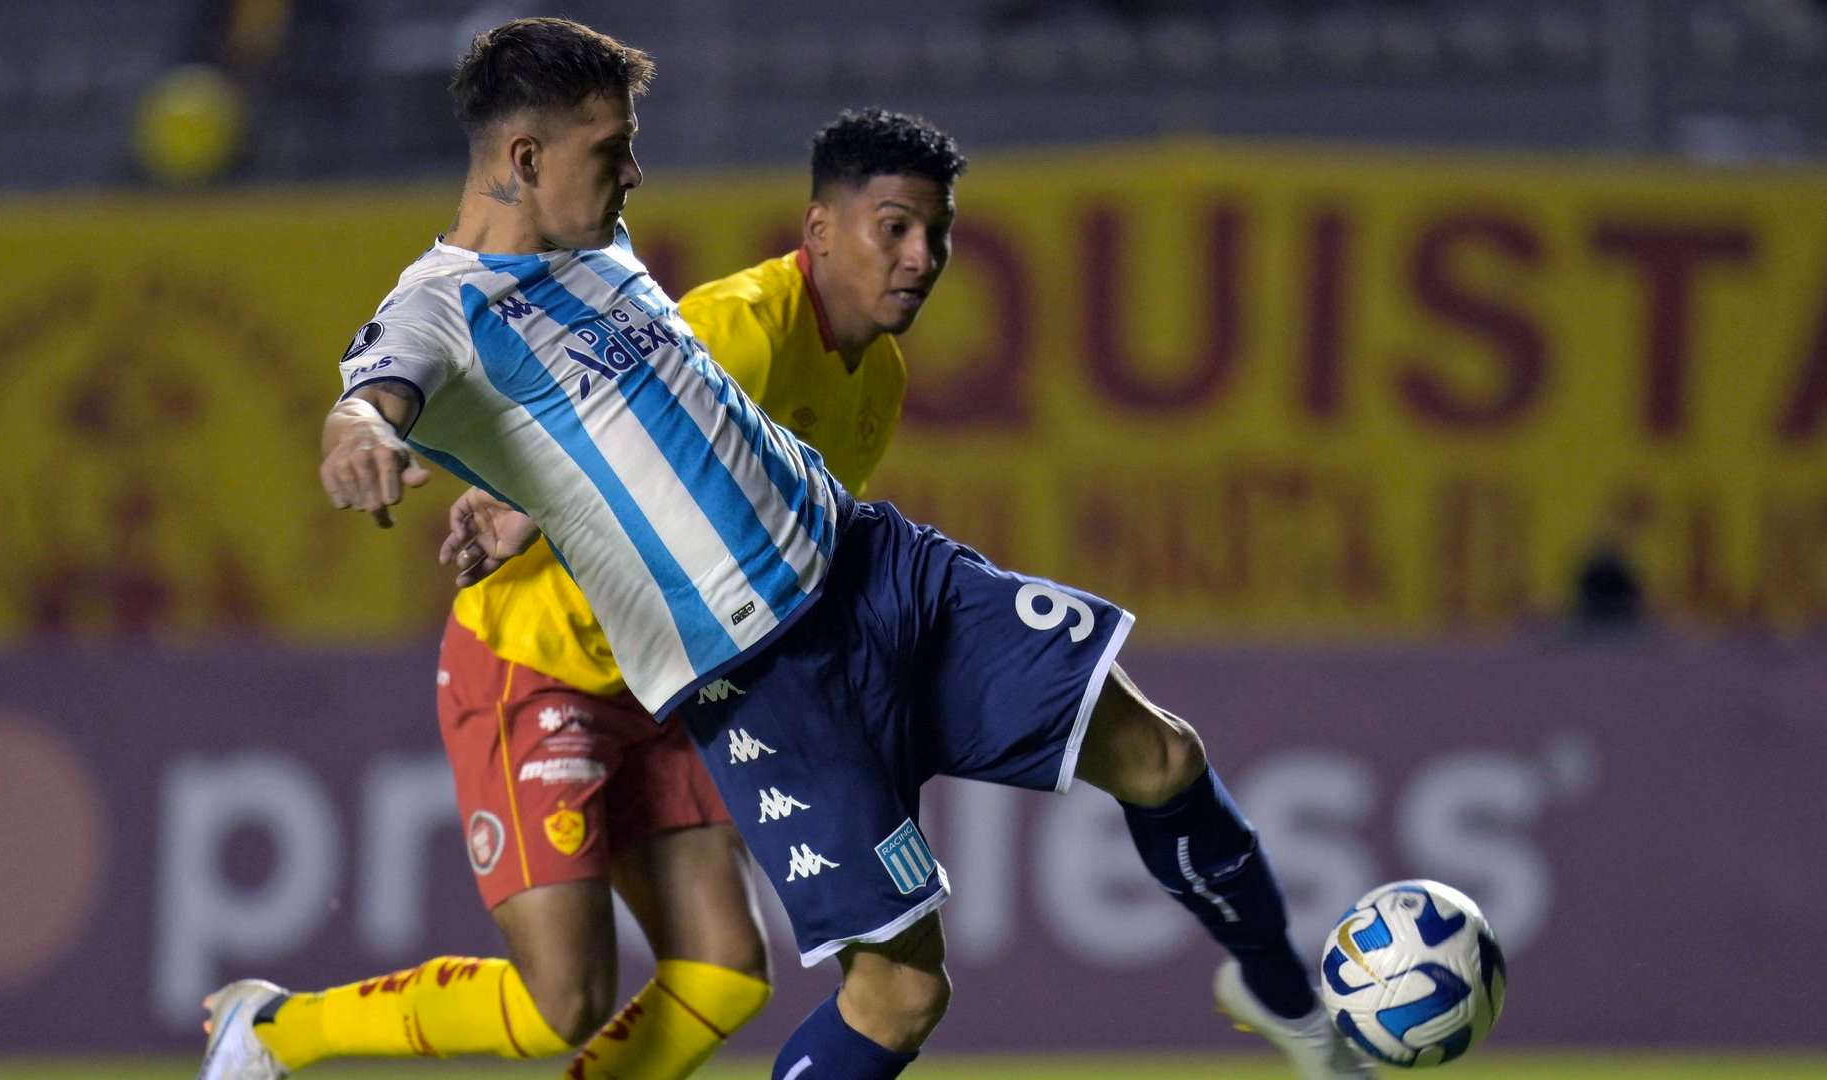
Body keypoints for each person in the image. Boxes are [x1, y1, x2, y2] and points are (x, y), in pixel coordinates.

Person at [275, 16, 1367, 1079]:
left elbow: (638, 408)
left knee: (1161, 753)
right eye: (612, 151)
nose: (635, 175)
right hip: (758, 672)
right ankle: (286, 1035)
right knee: (899, 994)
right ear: (523, 157)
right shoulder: (437, 309)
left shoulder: (597, 249)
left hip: (876, 569)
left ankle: (1286, 1007)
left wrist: (523, 501)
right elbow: (377, 390)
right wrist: (362, 435)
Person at [193, 96, 960, 1080]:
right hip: (543, 660)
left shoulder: (877, 380)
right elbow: (609, 410)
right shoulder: (743, 325)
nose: (921, 258)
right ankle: (275, 1030)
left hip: (668, 675)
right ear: (823, 230)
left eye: (937, 236)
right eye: (898, 230)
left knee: (726, 969)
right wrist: (516, 508)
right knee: (566, 998)